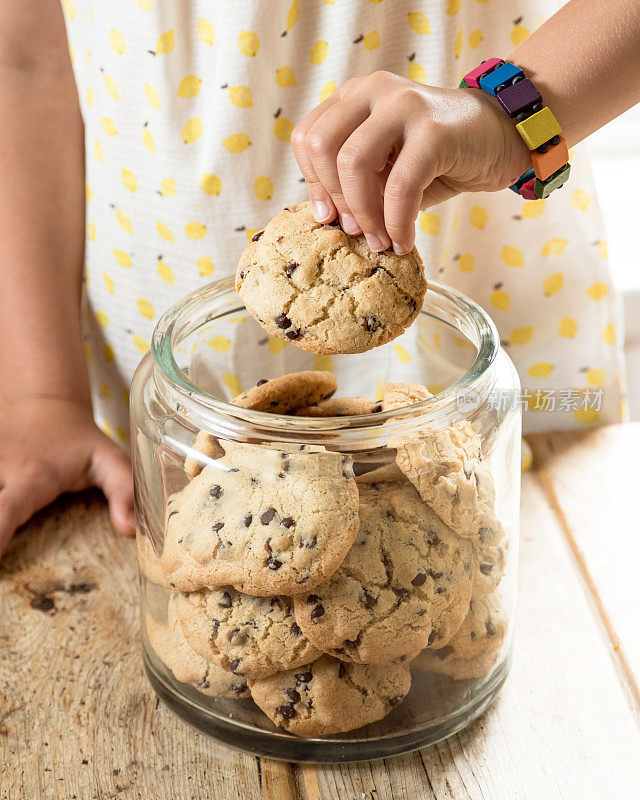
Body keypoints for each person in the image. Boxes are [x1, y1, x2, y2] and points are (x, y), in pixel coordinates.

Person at [0, 0, 637, 557]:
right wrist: (44, 399)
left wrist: (509, 113)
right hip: (146, 388)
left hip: (473, 341)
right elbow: (24, 59)